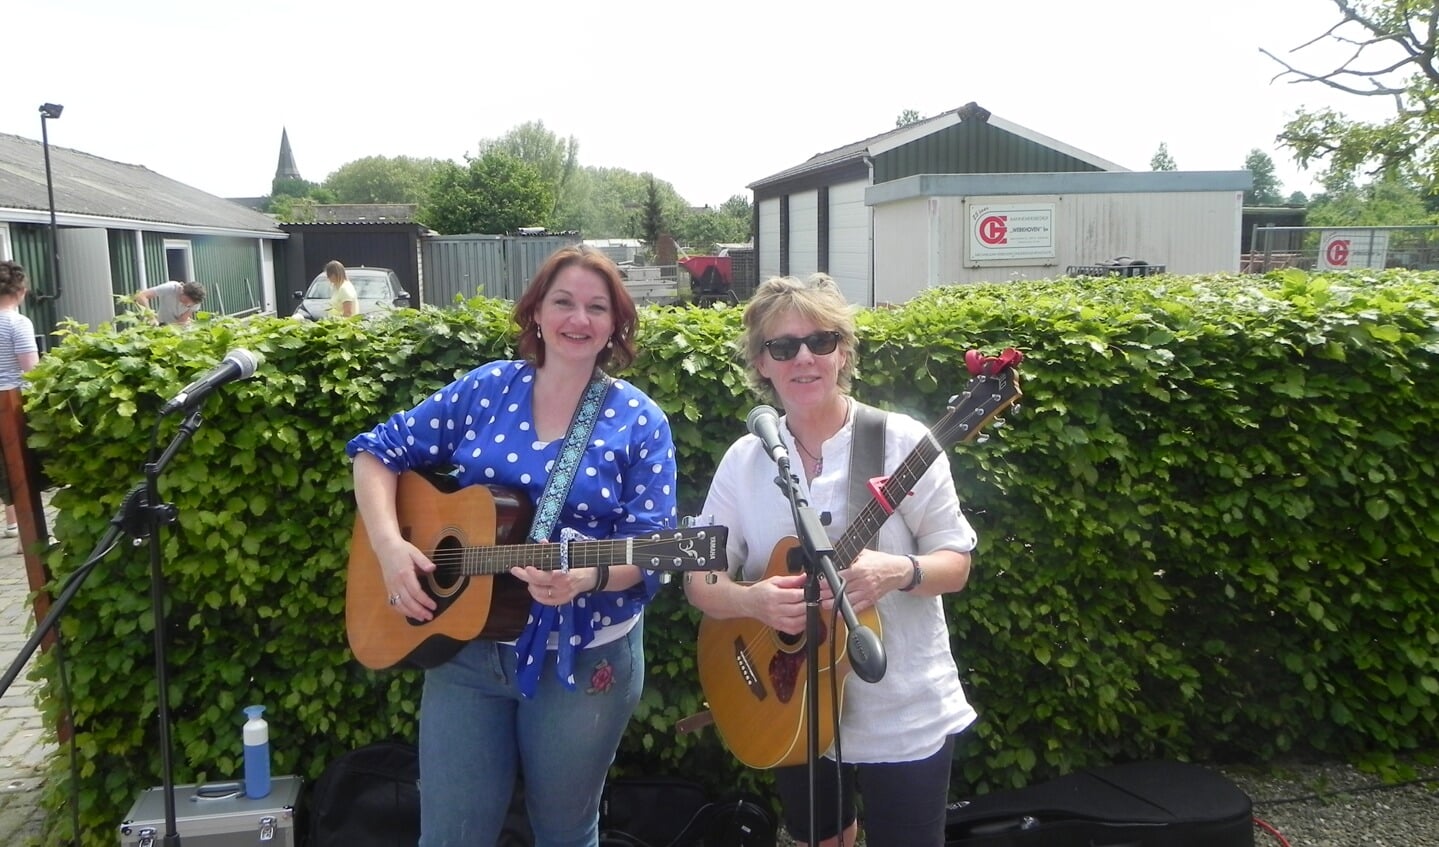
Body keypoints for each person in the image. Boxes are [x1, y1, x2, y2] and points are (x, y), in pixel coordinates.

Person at [347, 244, 679, 847]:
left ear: (614, 324)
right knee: (450, 836)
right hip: (467, 650)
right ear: (536, 313)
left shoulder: (639, 419)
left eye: (596, 307)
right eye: (564, 302)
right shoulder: (489, 389)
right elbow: (376, 451)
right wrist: (392, 547)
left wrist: (588, 578)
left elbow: (653, 549)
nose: (578, 320)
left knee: (564, 833)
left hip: (581, 655)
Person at [685, 274, 978, 847]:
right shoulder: (747, 461)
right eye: (782, 346)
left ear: (843, 352)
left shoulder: (902, 442)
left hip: (903, 706)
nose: (804, 358)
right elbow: (701, 579)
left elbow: (956, 563)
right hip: (791, 700)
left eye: (820, 341)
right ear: (761, 362)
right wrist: (753, 601)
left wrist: (900, 571)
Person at [0, 261, 39, 537]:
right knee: (21, 469)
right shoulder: (18, 323)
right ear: (21, 291)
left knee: (3, 468)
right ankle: (28, 537)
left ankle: (11, 524)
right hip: (11, 405)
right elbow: (33, 372)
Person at [135, 280, 205, 326]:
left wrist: (172, 330)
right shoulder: (171, 288)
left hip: (176, 328)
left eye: (189, 305)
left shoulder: (196, 302)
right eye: (186, 301)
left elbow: (182, 320)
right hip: (161, 322)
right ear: (182, 291)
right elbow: (141, 296)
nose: (186, 305)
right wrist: (151, 317)